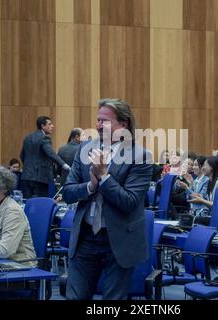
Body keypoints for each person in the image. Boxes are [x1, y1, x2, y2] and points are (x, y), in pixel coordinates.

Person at [62, 98, 153, 300]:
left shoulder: (140, 156)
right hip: (86, 236)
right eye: (98, 120)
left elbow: (129, 201)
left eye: (105, 121)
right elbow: (67, 193)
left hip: (119, 240)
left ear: (123, 124)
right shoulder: (85, 150)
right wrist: (91, 186)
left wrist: (104, 177)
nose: (98, 125)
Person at [20, 116, 70, 199]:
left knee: (27, 204)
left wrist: (28, 168)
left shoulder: (27, 138)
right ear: (42, 126)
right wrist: (64, 165)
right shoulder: (44, 138)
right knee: (39, 204)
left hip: (26, 177)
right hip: (40, 179)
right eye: (49, 124)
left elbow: (22, 156)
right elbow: (51, 153)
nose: (52, 126)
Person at [189, 156, 218, 225]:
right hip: (215, 216)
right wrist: (201, 198)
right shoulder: (210, 182)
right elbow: (212, 205)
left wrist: (202, 200)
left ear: (212, 167)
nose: (202, 168)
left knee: (196, 221)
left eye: (204, 165)